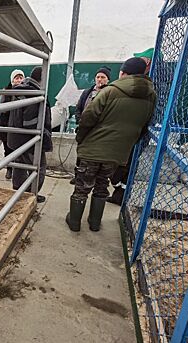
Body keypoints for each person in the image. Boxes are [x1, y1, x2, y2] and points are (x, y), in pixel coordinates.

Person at [66, 57, 157, 232]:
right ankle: (94, 223)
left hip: (93, 149)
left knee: (83, 186)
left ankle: (75, 222)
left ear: (123, 72)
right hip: (117, 153)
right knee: (102, 186)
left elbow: (88, 117)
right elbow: (145, 125)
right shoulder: (151, 96)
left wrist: (81, 138)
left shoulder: (110, 91)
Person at [107, 48, 155, 205]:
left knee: (125, 166)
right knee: (120, 168)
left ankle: (121, 194)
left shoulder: (150, 88)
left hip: (130, 136)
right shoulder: (150, 89)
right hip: (131, 135)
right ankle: (119, 193)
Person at [7, 66, 52, 203]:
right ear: (43, 78)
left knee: (19, 165)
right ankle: (30, 196)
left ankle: (17, 192)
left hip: (15, 138)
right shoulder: (34, 94)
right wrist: (44, 136)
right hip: (29, 140)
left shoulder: (22, 90)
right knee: (39, 168)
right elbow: (31, 123)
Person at [70, 66, 111, 185]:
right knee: (80, 153)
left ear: (108, 80)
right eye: (98, 77)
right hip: (84, 129)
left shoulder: (109, 93)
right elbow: (79, 108)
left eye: (103, 77)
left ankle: (92, 179)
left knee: (93, 156)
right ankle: (77, 176)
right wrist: (80, 121)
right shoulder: (86, 92)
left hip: (98, 132)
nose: (100, 79)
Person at [0, 69, 25, 179]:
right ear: (12, 80)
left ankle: (18, 171)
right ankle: (9, 169)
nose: (18, 80)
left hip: (19, 125)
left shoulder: (27, 91)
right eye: (16, 78)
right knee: (7, 148)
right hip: (6, 123)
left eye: (21, 77)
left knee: (18, 149)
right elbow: (0, 107)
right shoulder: (6, 91)